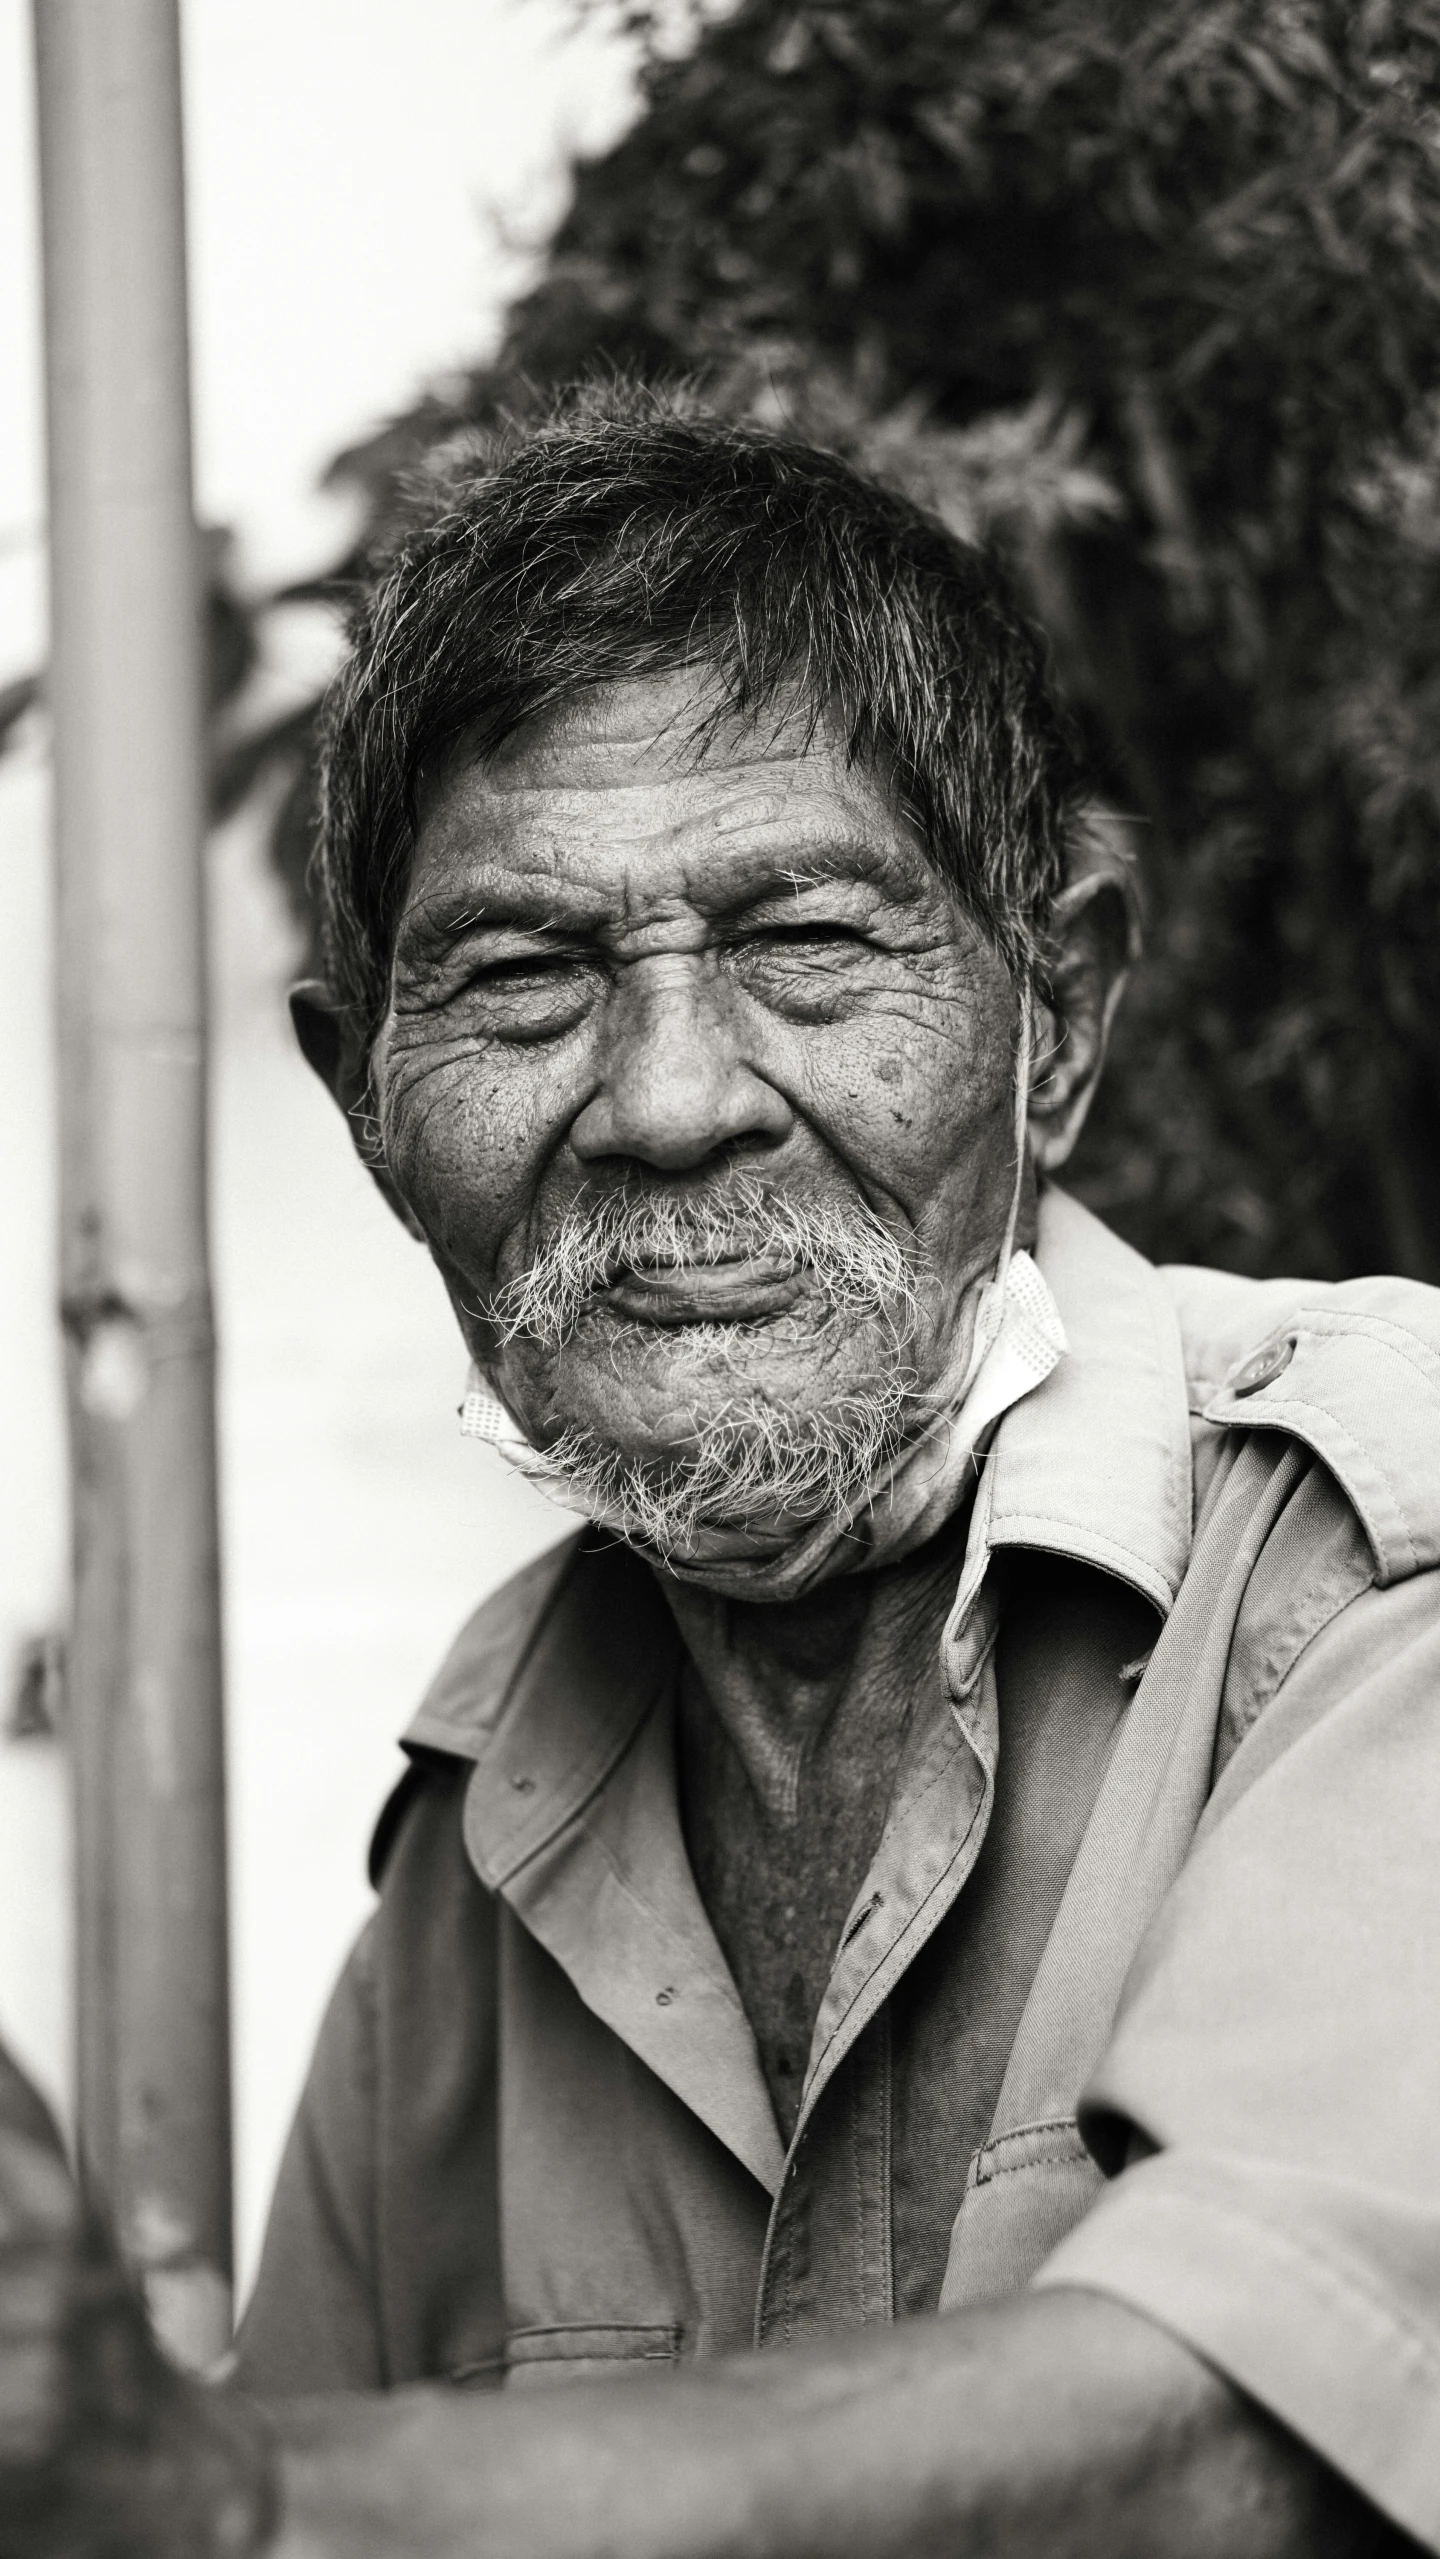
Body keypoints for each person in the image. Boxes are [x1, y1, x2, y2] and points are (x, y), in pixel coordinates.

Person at [7, 391, 1437, 2556]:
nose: (671, 1101)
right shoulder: (487, 1823)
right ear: (369, 1104)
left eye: (803, 942)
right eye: (523, 976)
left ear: (1056, 1014)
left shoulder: (1377, 1552)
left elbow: (1245, 2453)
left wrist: (229, 2505)